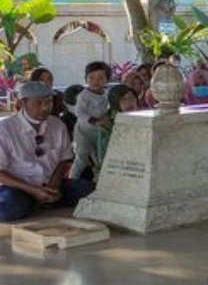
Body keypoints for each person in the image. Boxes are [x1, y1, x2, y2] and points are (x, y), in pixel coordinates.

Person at [0, 82, 94, 222]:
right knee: (11, 206)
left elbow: (64, 160)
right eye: (38, 103)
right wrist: (33, 190)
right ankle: (38, 202)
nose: (45, 108)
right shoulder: (5, 129)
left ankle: (41, 202)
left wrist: (53, 187)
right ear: (23, 103)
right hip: (19, 187)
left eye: (48, 102)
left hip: (49, 183)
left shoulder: (57, 125)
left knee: (90, 189)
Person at [71, 61, 111, 180]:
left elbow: (110, 108)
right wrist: (93, 120)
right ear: (86, 79)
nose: (96, 81)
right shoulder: (84, 96)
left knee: (100, 157)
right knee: (82, 156)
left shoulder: (106, 94)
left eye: (100, 78)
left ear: (107, 80)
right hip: (83, 131)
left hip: (99, 132)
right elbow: (79, 112)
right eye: (91, 77)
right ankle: (72, 179)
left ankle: (98, 180)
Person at [93, 84, 139, 172]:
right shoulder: (107, 126)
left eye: (131, 98)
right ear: (115, 103)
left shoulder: (145, 120)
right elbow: (105, 158)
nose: (129, 102)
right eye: (123, 99)